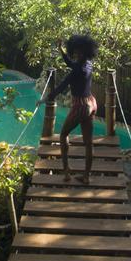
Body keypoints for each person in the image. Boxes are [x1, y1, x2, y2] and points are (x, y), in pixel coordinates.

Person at [46, 34, 99, 183]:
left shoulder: (77, 70)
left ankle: (67, 172)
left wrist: (47, 97)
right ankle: (86, 177)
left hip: (80, 106)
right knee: (88, 142)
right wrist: (61, 49)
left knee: (63, 135)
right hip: (91, 103)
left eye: (79, 52)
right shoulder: (88, 64)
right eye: (75, 51)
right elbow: (71, 63)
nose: (76, 54)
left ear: (84, 51)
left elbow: (62, 86)